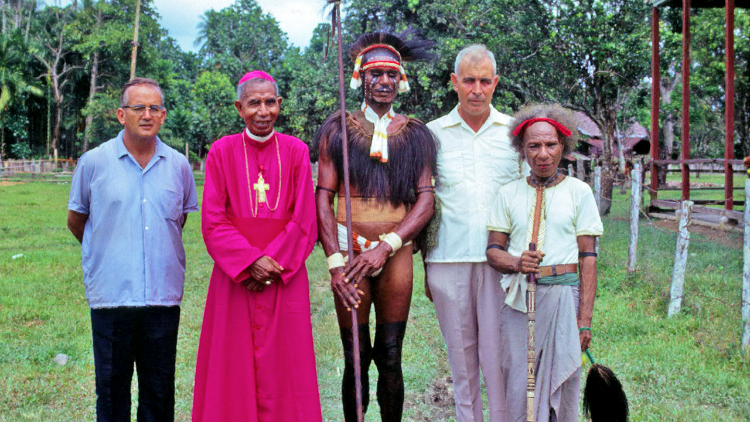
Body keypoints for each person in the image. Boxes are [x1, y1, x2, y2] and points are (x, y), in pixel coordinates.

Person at [314, 30, 437, 422]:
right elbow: (323, 197)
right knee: (356, 355)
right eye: (375, 74)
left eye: (390, 74)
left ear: (401, 80)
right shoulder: (338, 130)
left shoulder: (416, 134)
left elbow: (425, 199)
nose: (383, 81)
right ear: (359, 78)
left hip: (395, 253)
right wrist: (336, 261)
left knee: (390, 353)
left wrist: (389, 245)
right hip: (349, 256)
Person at [191, 71, 321, 422]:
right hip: (234, 280)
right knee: (231, 368)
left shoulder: (296, 151)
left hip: (284, 277)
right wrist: (249, 263)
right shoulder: (221, 152)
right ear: (239, 107)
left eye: (269, 102)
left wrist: (268, 265)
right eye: (253, 103)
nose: (262, 111)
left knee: (286, 369)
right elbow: (214, 221)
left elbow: (304, 221)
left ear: (279, 105)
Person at [67, 77, 198, 422]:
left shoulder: (179, 166)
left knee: (159, 391)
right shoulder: (94, 162)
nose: (146, 114)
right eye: (138, 107)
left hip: (162, 297)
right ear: (121, 114)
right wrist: (111, 250)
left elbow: (178, 221)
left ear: (164, 115)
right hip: (112, 297)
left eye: (154, 108)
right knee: (111, 393)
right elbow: (77, 220)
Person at [423, 44, 525, 422]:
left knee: (499, 358)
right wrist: (424, 269)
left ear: (495, 83)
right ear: (454, 82)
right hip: (447, 260)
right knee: (461, 361)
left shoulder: (515, 133)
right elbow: (423, 200)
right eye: (469, 80)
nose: (477, 89)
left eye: (485, 81)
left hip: (502, 264)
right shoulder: (431, 134)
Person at [485, 103, 603, 422]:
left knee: (563, 381)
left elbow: (588, 258)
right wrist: (517, 261)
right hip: (520, 299)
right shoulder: (507, 194)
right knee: (519, 384)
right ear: (522, 150)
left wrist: (585, 319)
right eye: (533, 145)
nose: (543, 153)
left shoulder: (580, 193)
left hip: (565, 298)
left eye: (550, 144)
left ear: (562, 146)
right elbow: (493, 252)